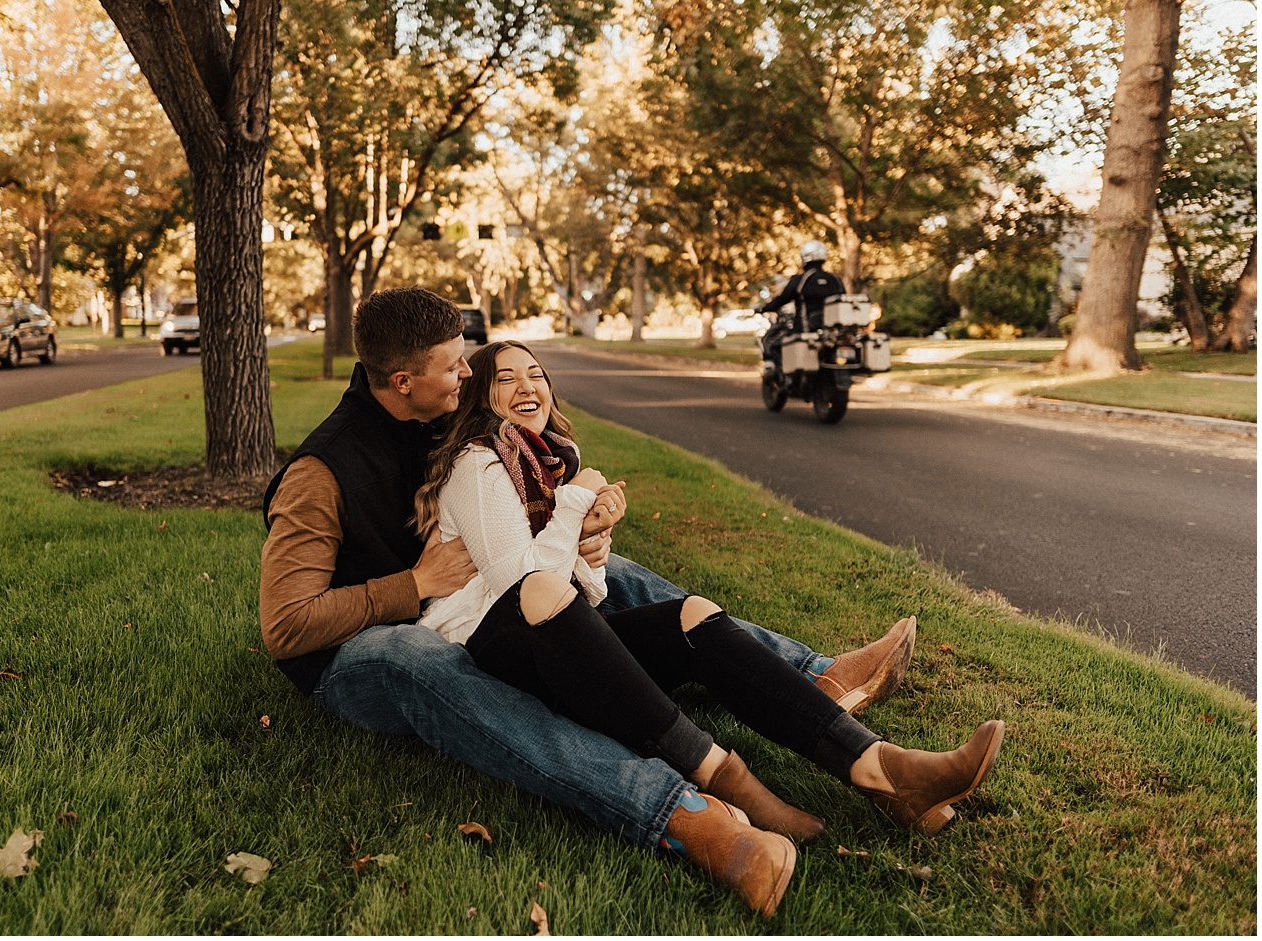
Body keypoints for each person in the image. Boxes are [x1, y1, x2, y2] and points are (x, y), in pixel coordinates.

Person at [257, 288, 921, 912]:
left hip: (477, 596)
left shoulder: (439, 417)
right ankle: (685, 816)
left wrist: (584, 533)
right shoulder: (322, 472)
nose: (467, 373)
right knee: (420, 656)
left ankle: (816, 681)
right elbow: (285, 626)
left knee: (616, 569)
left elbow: (508, 533)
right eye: (453, 365)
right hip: (353, 654)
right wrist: (412, 586)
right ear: (403, 381)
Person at [410, 340, 1006, 896]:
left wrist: (593, 540)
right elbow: (523, 585)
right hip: (484, 648)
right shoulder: (480, 466)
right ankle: (730, 780)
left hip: (551, 634)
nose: (526, 385)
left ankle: (879, 768)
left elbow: (581, 594)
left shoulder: (547, 464)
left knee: (692, 617)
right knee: (543, 590)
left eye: (536, 373)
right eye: (505, 378)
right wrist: (573, 508)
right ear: (480, 398)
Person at [759, 239, 847, 366]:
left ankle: (787, 379)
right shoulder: (835, 280)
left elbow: (781, 299)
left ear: (804, 257)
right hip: (834, 332)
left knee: (773, 343)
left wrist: (764, 308)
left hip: (805, 329)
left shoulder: (801, 280)